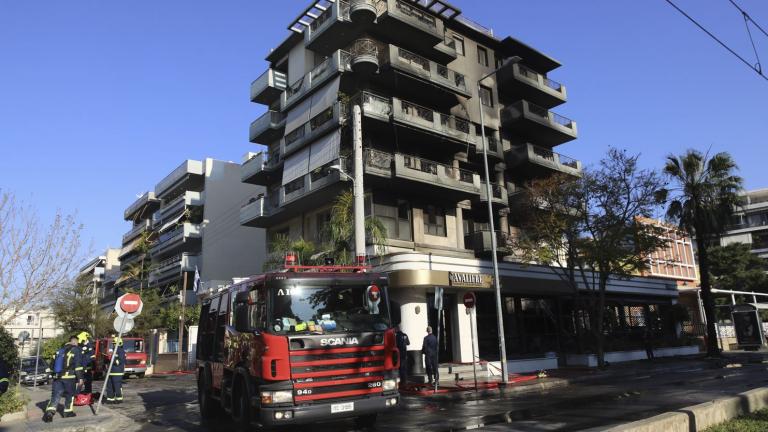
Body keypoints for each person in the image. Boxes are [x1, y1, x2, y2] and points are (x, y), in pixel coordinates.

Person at [43, 336, 84, 423]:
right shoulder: (76, 350)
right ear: (75, 342)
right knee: (70, 395)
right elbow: (78, 366)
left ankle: (49, 412)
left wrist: (53, 375)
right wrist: (80, 378)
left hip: (57, 378)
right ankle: (67, 412)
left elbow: (51, 366)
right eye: (77, 343)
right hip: (69, 378)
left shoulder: (59, 351)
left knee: (55, 396)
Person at [105, 336, 126, 404]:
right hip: (111, 372)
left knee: (117, 386)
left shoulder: (121, 351)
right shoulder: (114, 351)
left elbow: (118, 362)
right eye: (113, 343)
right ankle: (110, 399)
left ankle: (119, 399)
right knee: (109, 386)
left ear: (119, 344)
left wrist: (111, 359)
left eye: (115, 343)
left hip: (117, 372)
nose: (113, 345)